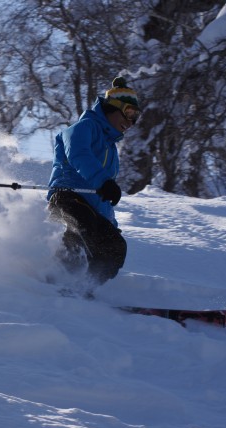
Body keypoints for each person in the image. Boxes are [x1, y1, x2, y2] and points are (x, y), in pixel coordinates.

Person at [47, 76, 140, 288]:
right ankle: (54, 283)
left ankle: (85, 288)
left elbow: (103, 195)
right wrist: (103, 182)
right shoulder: (83, 127)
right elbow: (79, 154)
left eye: (137, 117)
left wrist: (110, 224)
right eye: (129, 113)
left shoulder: (110, 147)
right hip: (68, 198)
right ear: (112, 108)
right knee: (83, 234)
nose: (132, 121)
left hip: (93, 209)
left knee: (115, 247)